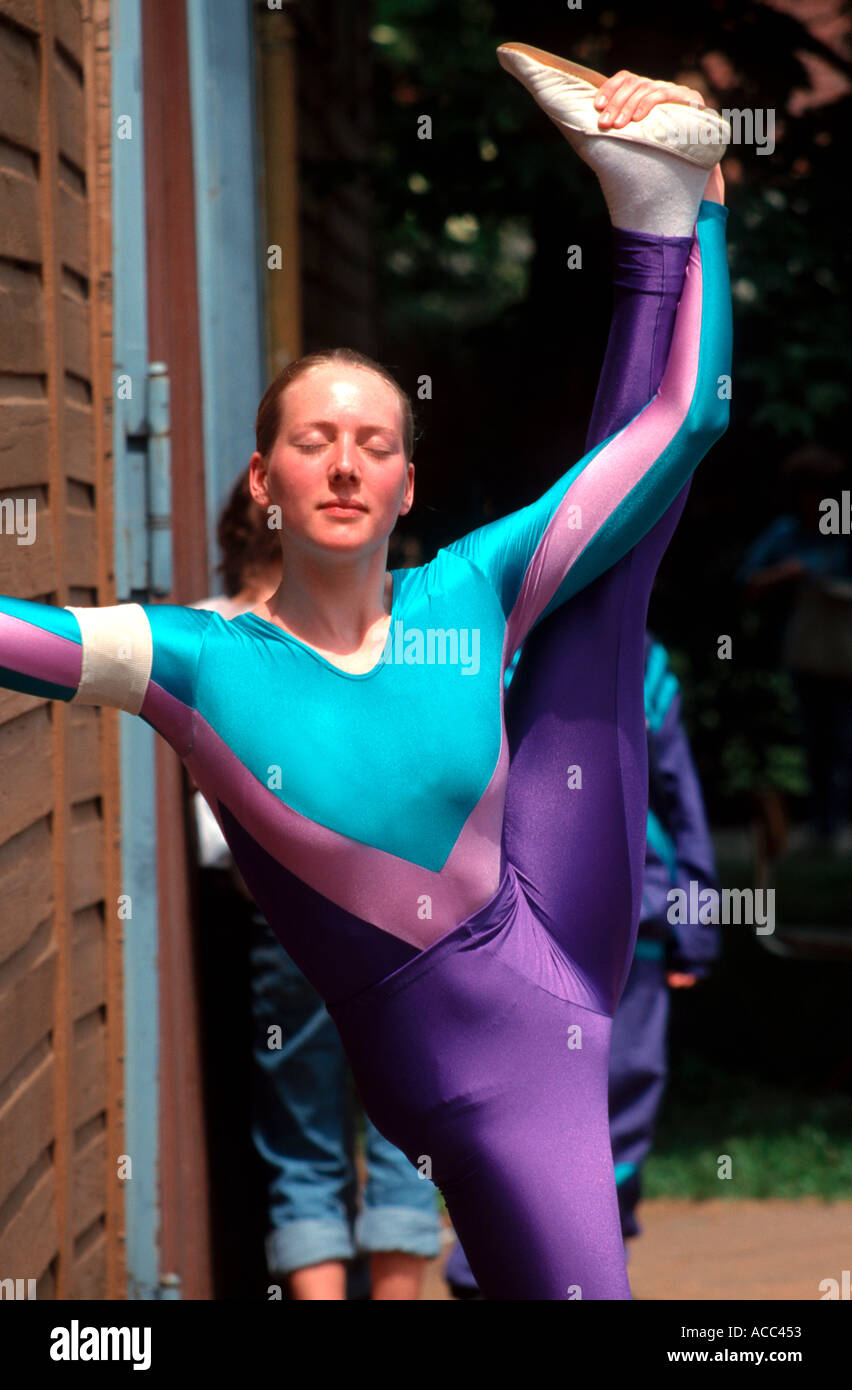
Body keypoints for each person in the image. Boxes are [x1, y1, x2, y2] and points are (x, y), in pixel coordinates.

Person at [0, 42, 731, 1298]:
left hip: (558, 912)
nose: (343, 463)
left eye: (373, 444)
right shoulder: (193, 659)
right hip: (467, 1053)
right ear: (263, 481)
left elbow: (685, 421)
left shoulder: (471, 586)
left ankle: (664, 203)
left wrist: (712, 219)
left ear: (406, 483)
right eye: (313, 441)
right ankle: (668, 198)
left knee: (615, 569)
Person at [191, 475, 441, 1300]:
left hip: (279, 928)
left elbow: (211, 835)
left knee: (302, 1142)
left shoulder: (205, 635)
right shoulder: (380, 629)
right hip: (397, 924)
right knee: (406, 1126)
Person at [443, 630, 721, 1294]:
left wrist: (697, 921)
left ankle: (594, 1265)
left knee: (620, 1099)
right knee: (517, 1110)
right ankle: (489, 1265)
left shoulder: (647, 666)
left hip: (635, 926)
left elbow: (682, 800)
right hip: (515, 931)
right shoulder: (485, 660)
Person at [738, 445, 852, 849]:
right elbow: (748, 582)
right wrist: (786, 576)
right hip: (809, 654)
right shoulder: (787, 533)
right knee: (818, 743)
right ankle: (825, 827)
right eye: (809, 491)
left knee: (842, 741)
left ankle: (833, 824)